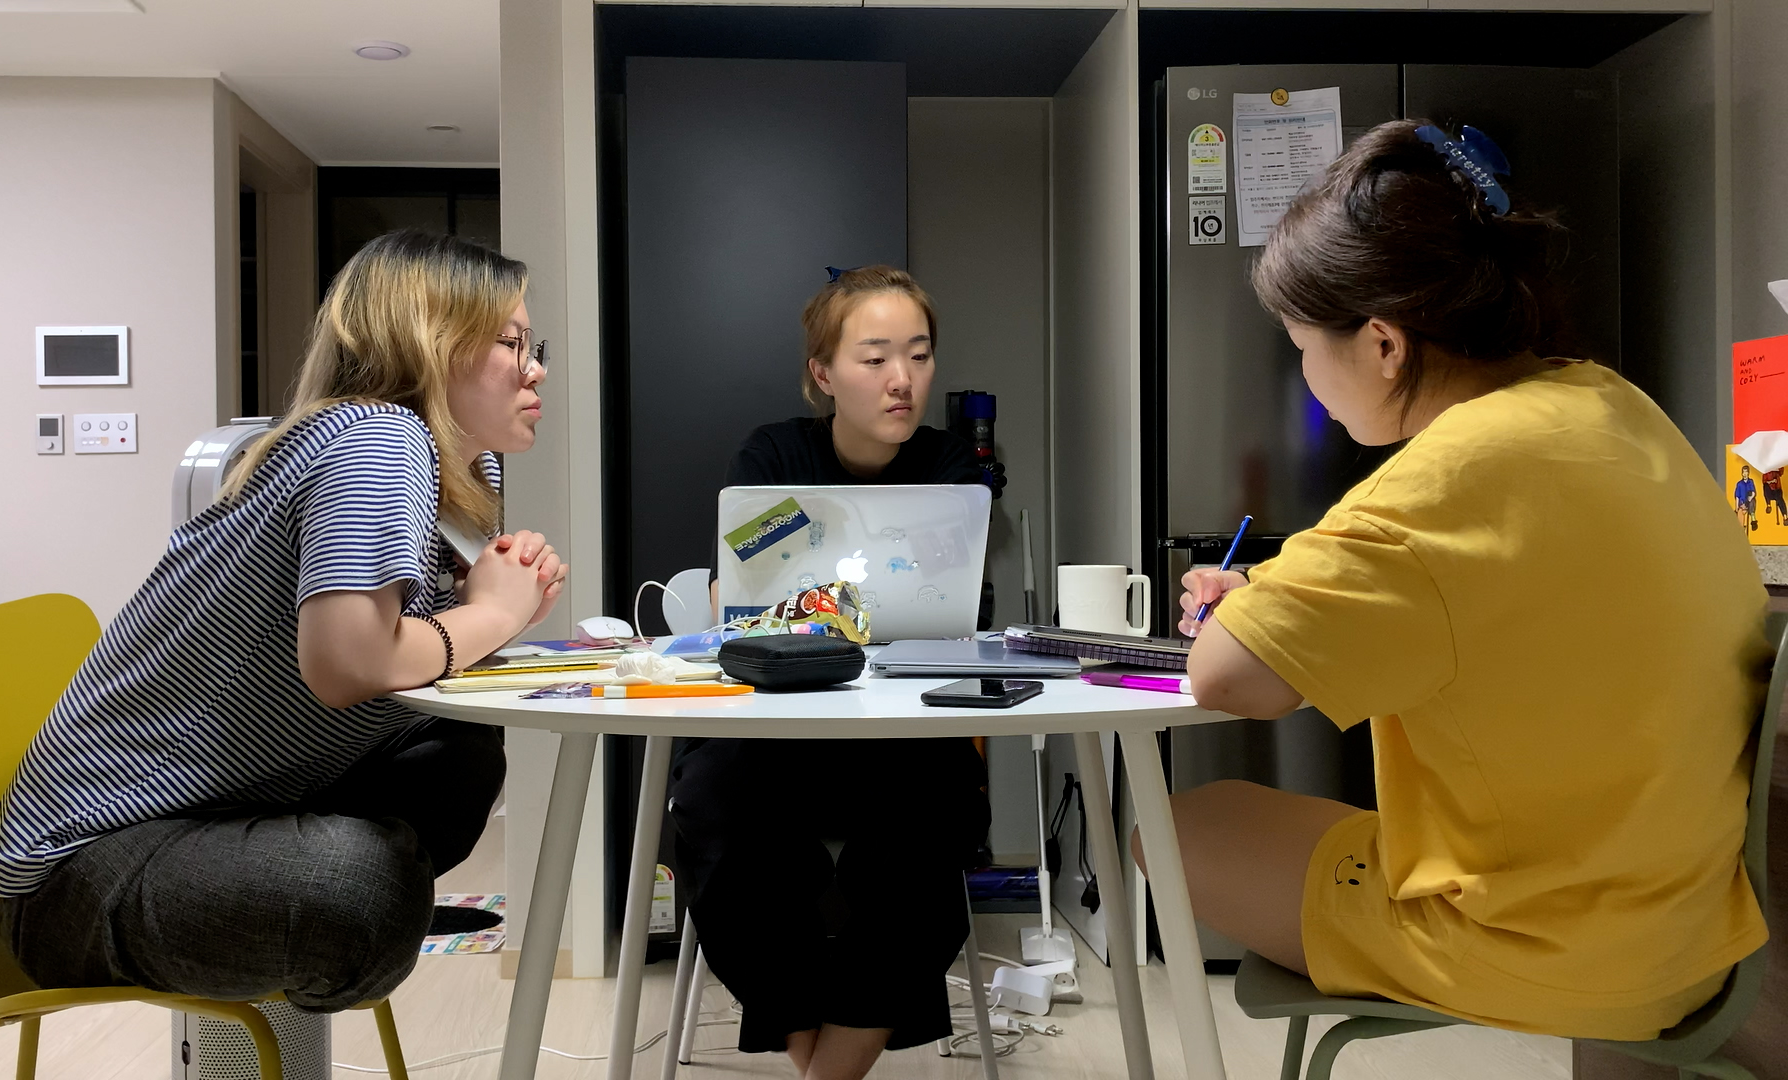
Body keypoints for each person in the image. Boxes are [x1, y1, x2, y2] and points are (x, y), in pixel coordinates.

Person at [1138, 120, 1770, 1041]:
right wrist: (1276, 604)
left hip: (1548, 946)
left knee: (1172, 827)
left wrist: (1255, 612)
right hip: (1691, 932)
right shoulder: (1607, 401)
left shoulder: (1441, 477)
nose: (1307, 379)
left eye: (1304, 347)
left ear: (1383, 344)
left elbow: (1226, 677)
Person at [0, 230, 567, 1012]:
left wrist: (487, 606)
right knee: (366, 892)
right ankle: (333, 909)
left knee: (458, 754)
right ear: (432, 343)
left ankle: (315, 902)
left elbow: (396, 658)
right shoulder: (379, 437)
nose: (536, 368)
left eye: (534, 346)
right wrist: (494, 612)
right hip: (77, 870)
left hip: (218, 813)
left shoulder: (456, 468)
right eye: (511, 343)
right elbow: (349, 663)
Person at [675, 266, 989, 1080]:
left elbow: (950, 609)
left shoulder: (951, 467)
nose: (901, 379)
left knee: (934, 827)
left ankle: (825, 1072)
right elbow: (732, 598)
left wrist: (818, 604)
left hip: (903, 734)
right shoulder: (777, 455)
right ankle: (821, 1058)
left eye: (918, 355)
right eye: (875, 358)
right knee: (714, 811)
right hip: (776, 731)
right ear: (823, 373)